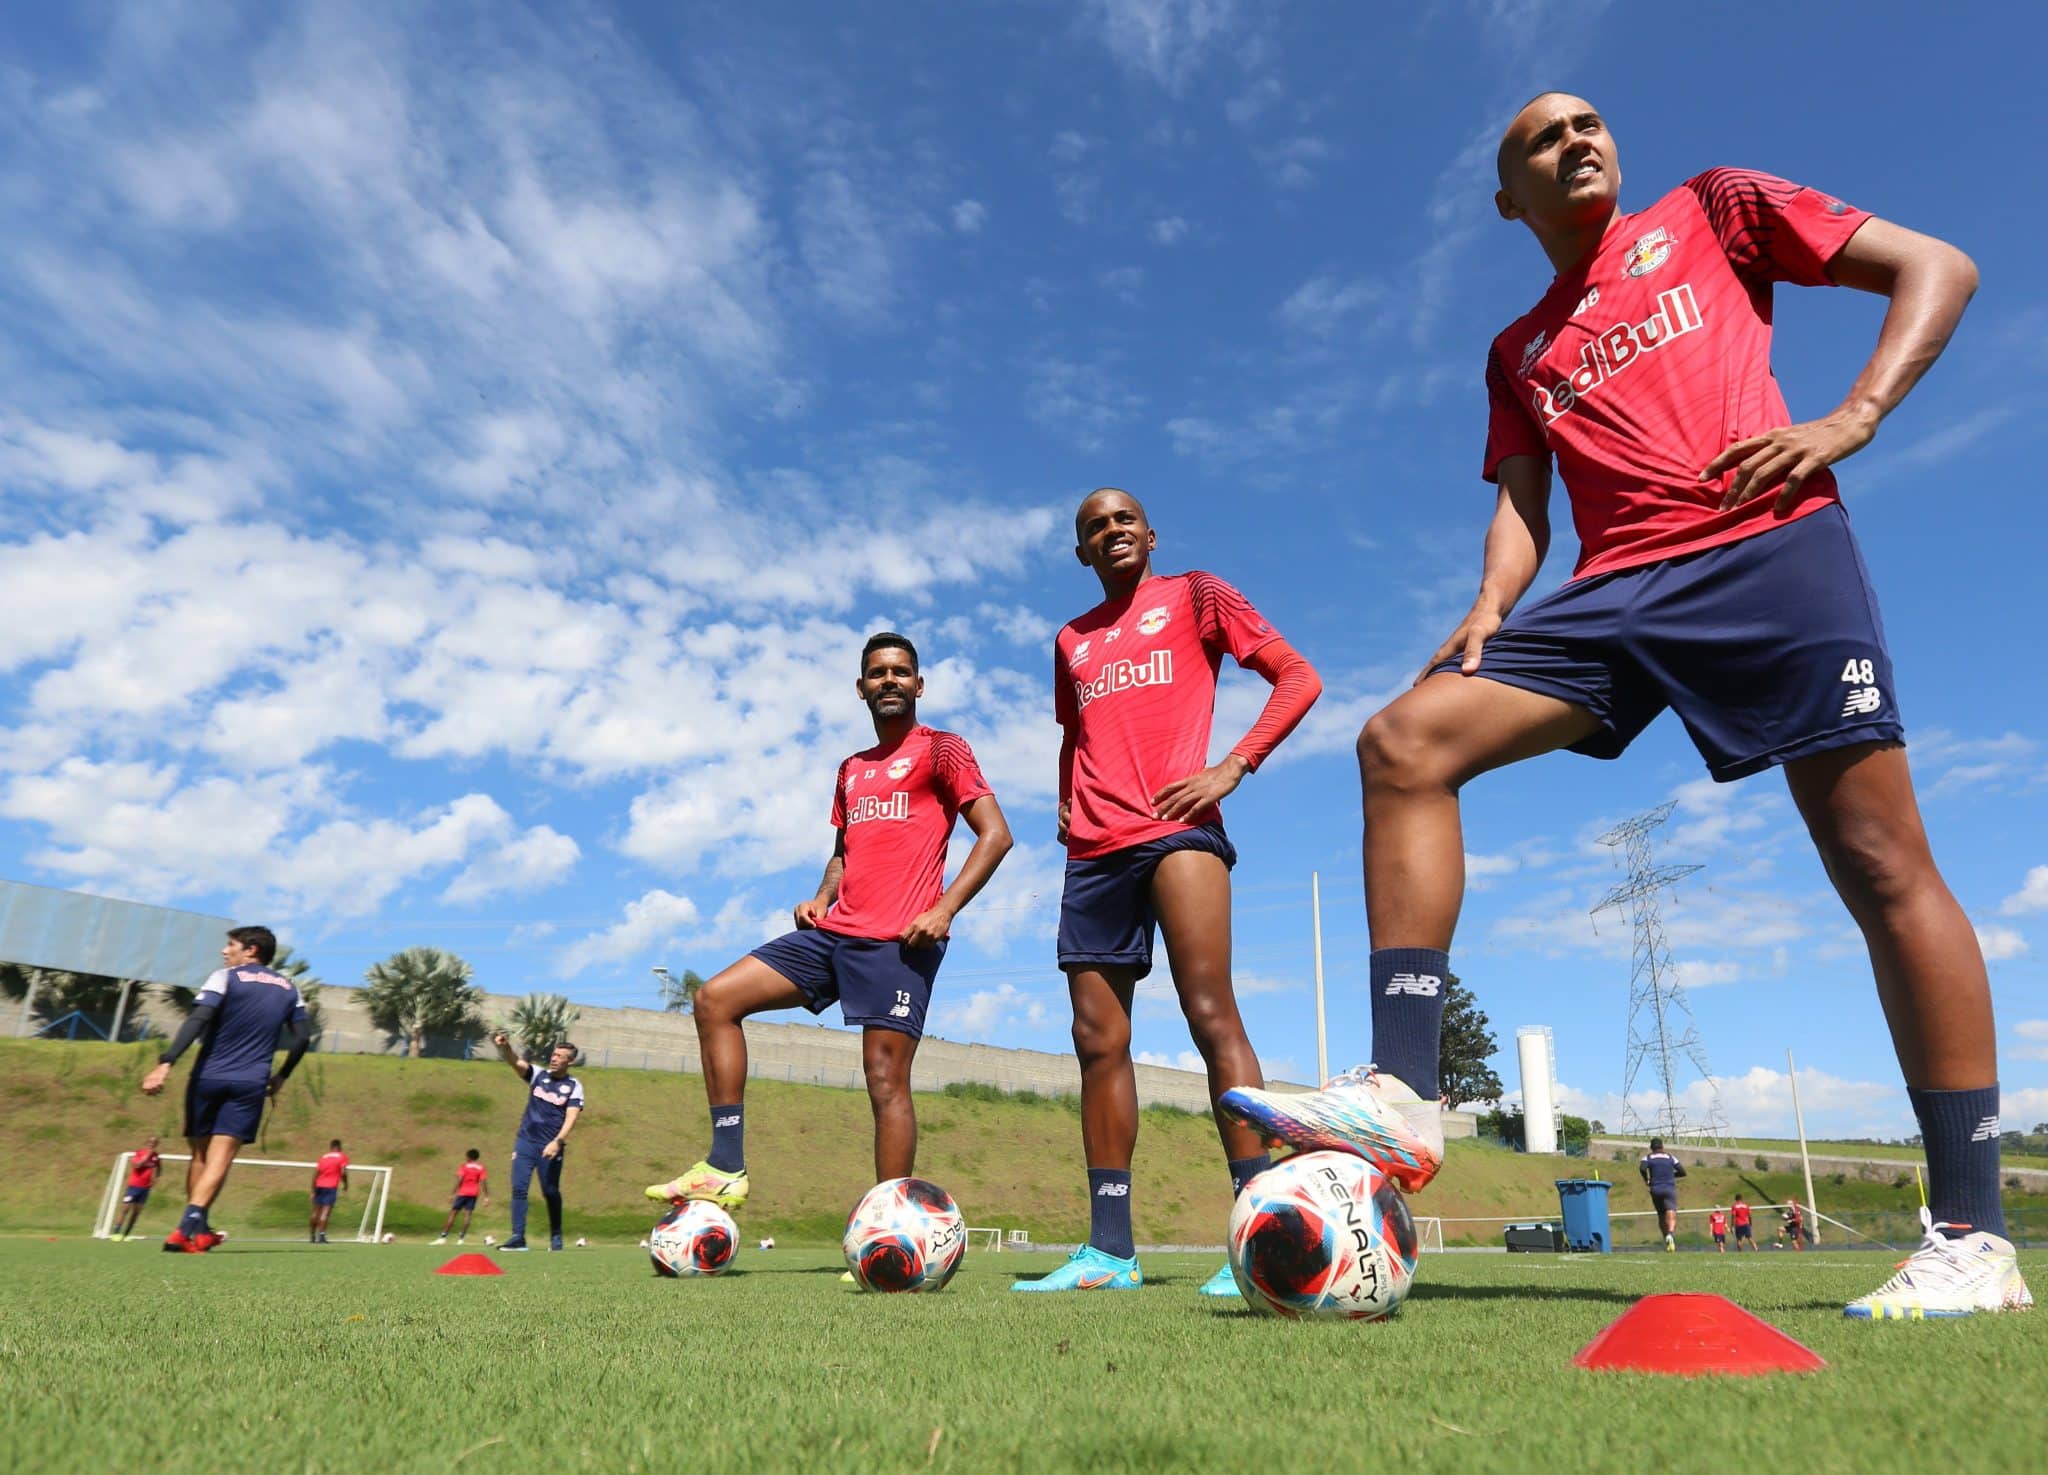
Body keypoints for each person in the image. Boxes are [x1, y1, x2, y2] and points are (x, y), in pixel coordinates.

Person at [1223, 92, 2031, 1320]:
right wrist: (1494, 600)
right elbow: (1519, 499)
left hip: (1761, 548)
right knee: (1400, 741)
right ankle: (1401, 1089)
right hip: (1607, 596)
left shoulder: (1712, 209)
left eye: (1587, 123)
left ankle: (1973, 1233)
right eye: (1541, 140)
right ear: (1508, 200)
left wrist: (1851, 415)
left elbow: (1939, 264)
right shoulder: (1515, 350)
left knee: (1876, 859)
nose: (1575, 140)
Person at [1012, 489, 1322, 1297]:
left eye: (1123, 519)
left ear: (1150, 534)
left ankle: (1259, 1235)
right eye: (1092, 526)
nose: (1110, 530)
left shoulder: (1195, 594)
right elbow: (1074, 735)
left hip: (1179, 832)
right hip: (1094, 851)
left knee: (1212, 1014)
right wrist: (1064, 802)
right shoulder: (1070, 638)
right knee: (1096, 1039)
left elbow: (1297, 676)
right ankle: (1110, 1250)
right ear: (1081, 551)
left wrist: (1232, 766)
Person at [645, 633, 1012, 1213]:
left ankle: (888, 1223)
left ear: (919, 685)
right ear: (861, 688)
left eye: (899, 672)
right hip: (833, 933)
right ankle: (723, 1164)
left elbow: (996, 834)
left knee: (885, 1082)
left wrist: (943, 910)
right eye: (876, 673)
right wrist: (821, 896)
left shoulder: (943, 750)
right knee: (715, 1000)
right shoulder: (850, 769)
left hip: (898, 940)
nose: (888, 680)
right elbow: (845, 849)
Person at [140, 926, 312, 1253]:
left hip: (208, 1077)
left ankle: (187, 1228)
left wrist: (166, 1063)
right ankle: (197, 1227)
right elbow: (303, 1037)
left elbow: (199, 1019)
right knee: (221, 1157)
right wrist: (283, 1076)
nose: (224, 951)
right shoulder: (290, 988)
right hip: (251, 1082)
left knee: (201, 1155)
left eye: (230, 945)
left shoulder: (225, 977)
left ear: (251, 950)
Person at [491, 1035, 584, 1252]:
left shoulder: (573, 1086)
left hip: (550, 1146)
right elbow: (515, 1062)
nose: (554, 1058)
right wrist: (505, 1047)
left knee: (550, 1191)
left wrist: (558, 1142)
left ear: (569, 1062)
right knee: (519, 1188)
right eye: (554, 1054)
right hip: (525, 1141)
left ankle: (556, 1234)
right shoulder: (538, 1075)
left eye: (560, 1056)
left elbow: (571, 1117)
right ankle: (518, 1237)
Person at [109, 1135, 162, 1241]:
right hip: (133, 1186)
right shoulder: (139, 1153)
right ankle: (116, 1233)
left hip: (145, 1189)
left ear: (157, 1144)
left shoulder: (156, 1157)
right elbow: (137, 1165)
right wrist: (148, 1156)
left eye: (154, 1142)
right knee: (125, 1209)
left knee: (136, 1212)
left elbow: (159, 1168)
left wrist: (155, 1179)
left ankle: (126, 1234)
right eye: (150, 1142)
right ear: (147, 1143)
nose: (152, 1144)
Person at [434, 1149, 490, 1245]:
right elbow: (483, 1182)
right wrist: (486, 1197)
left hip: (463, 1193)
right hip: (473, 1193)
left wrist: (452, 1194)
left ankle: (443, 1237)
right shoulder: (481, 1168)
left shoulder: (464, 1166)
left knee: (453, 1214)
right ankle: (461, 1239)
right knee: (467, 1215)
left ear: (468, 1157)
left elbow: (459, 1180)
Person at [1639, 1137, 1686, 1251]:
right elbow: (1682, 1172)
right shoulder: (1670, 1157)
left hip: (1655, 1188)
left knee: (1661, 1214)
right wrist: (1671, 1175)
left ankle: (1667, 1241)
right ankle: (1670, 1234)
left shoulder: (1648, 1157)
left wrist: (1647, 1179)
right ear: (1662, 1147)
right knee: (1671, 1211)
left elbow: (1642, 1168)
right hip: (1669, 1188)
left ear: (1651, 1148)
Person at [309, 1139, 349, 1244]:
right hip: (330, 1187)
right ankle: (321, 1237)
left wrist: (313, 1190)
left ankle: (312, 1236)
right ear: (339, 1147)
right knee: (325, 1212)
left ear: (330, 1147)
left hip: (318, 1185)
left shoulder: (323, 1157)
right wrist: (345, 1184)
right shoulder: (341, 1156)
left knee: (315, 1212)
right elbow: (343, 1172)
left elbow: (316, 1173)